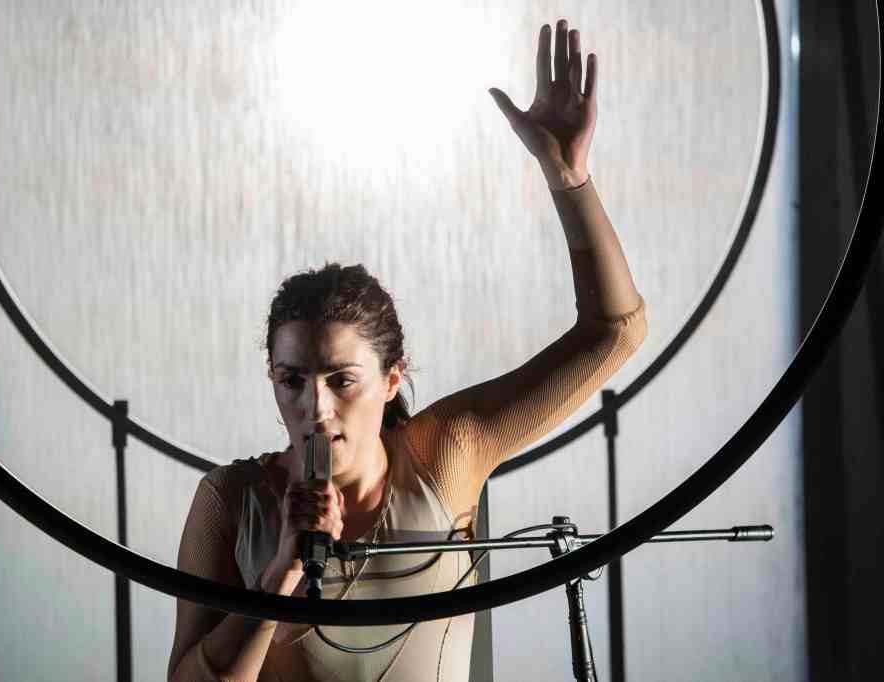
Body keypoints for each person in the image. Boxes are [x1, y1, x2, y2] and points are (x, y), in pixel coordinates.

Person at [168, 18, 647, 682]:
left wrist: (569, 178)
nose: (316, 407)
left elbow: (614, 332)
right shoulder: (231, 501)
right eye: (291, 379)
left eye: (342, 380)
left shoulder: (445, 457)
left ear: (393, 378)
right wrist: (282, 571)